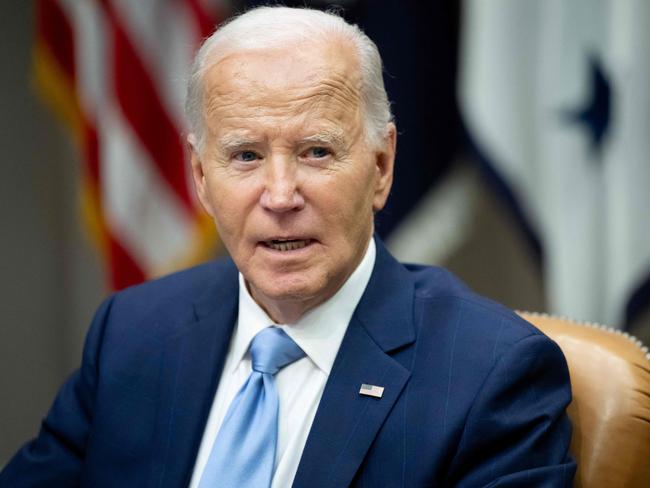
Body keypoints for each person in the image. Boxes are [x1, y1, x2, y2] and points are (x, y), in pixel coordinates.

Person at [0, 6, 575, 487]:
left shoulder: (493, 376)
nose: (279, 196)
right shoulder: (133, 331)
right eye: (245, 155)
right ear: (201, 176)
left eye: (316, 152)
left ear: (381, 167)